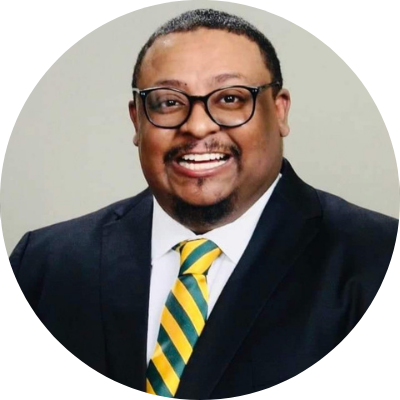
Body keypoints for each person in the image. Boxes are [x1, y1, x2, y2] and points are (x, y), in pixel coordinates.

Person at [10, 8, 398, 399]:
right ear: (137, 121)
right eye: (167, 102)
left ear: (279, 111)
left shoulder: (379, 261)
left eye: (230, 98)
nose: (197, 126)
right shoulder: (43, 265)